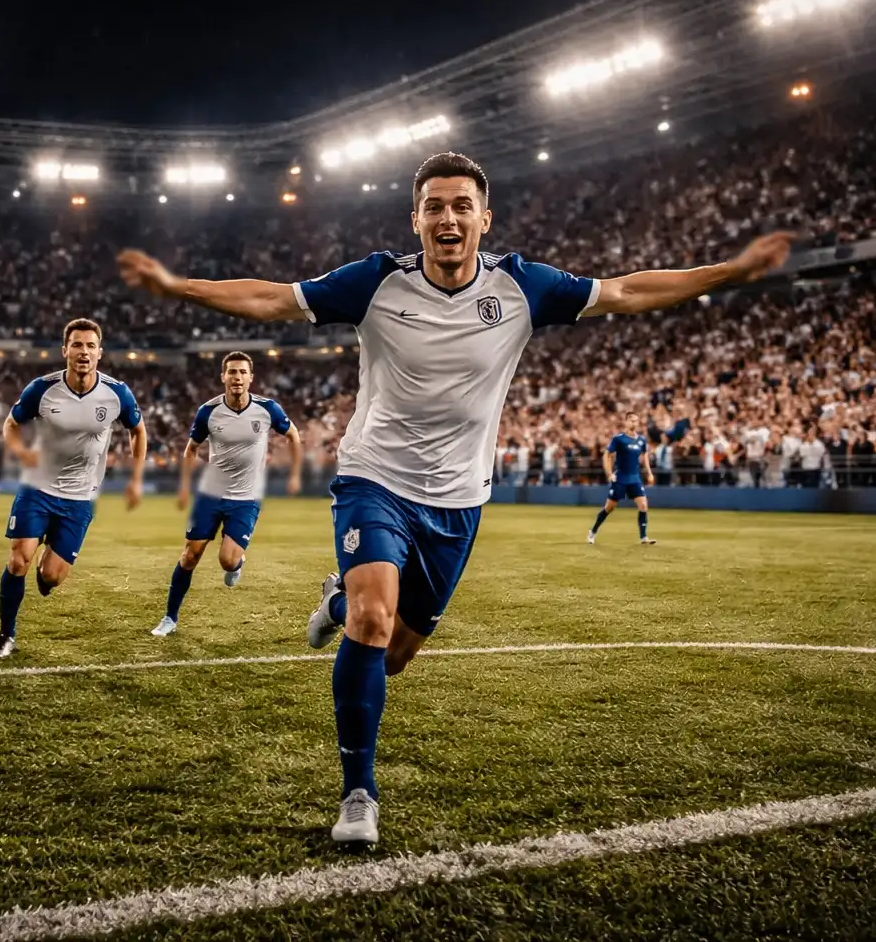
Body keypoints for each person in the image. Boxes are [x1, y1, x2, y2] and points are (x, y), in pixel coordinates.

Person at [117, 150, 793, 845]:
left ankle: (338, 602)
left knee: (396, 651)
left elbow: (625, 292)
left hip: (459, 499)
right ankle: (358, 794)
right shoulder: (376, 281)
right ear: (416, 219)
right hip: (374, 477)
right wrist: (177, 286)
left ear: (484, 218)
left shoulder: (524, 285)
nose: (448, 217)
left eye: (461, 205)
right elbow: (274, 298)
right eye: (434, 206)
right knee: (374, 626)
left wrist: (731, 271)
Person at [0, 318, 146, 659]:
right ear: (65, 351)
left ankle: (47, 570)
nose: (83, 352)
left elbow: (138, 430)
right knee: (18, 562)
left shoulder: (117, 393)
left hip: (80, 497)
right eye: (77, 345)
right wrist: (19, 452)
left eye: (90, 346)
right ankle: (5, 635)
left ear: (100, 353)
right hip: (37, 488)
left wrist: (135, 477)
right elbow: (11, 424)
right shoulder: (41, 389)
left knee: (51, 577)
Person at [152, 351, 303, 637]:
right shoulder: (208, 411)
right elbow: (191, 449)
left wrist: (295, 474)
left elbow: (294, 435)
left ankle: (237, 563)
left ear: (251, 377)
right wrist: (184, 487)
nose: (237, 377)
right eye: (232, 372)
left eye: (242, 372)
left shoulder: (268, 409)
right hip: (211, 492)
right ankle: (169, 618)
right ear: (223, 377)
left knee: (227, 560)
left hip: (246, 497)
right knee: (190, 555)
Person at [587, 414, 656, 545]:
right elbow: (607, 455)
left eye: (636, 421)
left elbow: (645, 455)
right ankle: (593, 531)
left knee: (643, 505)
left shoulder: (641, 440)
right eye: (631, 420)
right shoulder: (619, 439)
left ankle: (643, 537)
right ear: (626, 422)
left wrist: (649, 473)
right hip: (621, 478)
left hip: (635, 477)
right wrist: (609, 473)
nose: (634, 423)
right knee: (609, 507)